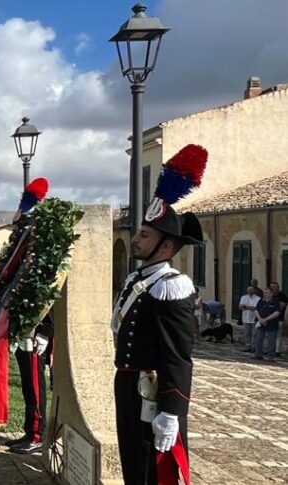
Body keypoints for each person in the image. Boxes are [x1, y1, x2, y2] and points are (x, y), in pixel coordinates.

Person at [110, 179, 204, 484]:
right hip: (129, 385)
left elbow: (178, 356)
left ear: (166, 246)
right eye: (138, 232)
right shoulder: (139, 279)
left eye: (144, 235)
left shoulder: (171, 286)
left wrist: (172, 411)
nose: (135, 239)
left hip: (152, 391)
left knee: (153, 470)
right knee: (133, 463)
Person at [7, 314, 53, 454]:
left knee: (35, 386)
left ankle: (38, 435)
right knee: (27, 384)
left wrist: (46, 331)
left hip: (37, 334)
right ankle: (30, 432)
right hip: (24, 332)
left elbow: (52, 304)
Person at [253, 288, 282, 360]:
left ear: (271, 293)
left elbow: (277, 312)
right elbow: (256, 310)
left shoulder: (275, 301)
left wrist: (266, 319)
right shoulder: (260, 301)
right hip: (261, 323)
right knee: (258, 339)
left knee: (271, 340)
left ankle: (270, 356)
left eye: (267, 292)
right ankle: (258, 355)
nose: (265, 294)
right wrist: (260, 319)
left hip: (272, 324)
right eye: (264, 292)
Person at [238, 285, 260, 352]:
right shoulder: (243, 297)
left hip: (254, 318)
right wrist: (249, 307)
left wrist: (246, 307)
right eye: (249, 289)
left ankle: (254, 347)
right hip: (245, 318)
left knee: (254, 333)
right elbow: (240, 307)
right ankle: (248, 346)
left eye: (251, 289)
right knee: (247, 333)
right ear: (247, 290)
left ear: (254, 290)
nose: (250, 291)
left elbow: (255, 308)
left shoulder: (258, 298)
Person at [269, 282, 287, 357]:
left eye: (275, 286)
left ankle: (277, 351)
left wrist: (271, 307)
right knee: (271, 335)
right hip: (269, 318)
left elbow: (280, 307)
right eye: (272, 287)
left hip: (279, 318)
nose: (273, 288)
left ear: (278, 287)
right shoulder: (269, 295)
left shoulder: (282, 296)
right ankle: (270, 349)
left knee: (278, 335)